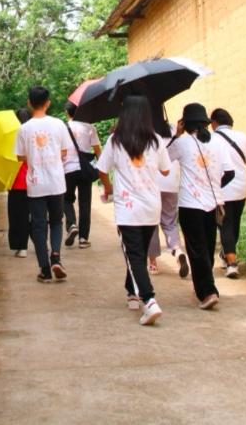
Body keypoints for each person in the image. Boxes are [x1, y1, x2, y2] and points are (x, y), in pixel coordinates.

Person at [97, 96, 171, 325]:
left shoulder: (115, 141)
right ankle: (131, 290)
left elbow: (101, 169)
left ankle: (149, 300)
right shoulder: (156, 141)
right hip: (151, 206)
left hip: (128, 209)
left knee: (135, 255)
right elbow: (166, 171)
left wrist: (108, 187)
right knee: (137, 253)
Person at [168, 102, 234, 310]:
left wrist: (176, 135)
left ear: (185, 124)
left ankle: (207, 292)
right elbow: (230, 172)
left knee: (196, 250)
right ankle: (208, 286)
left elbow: (163, 158)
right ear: (205, 122)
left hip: (190, 204)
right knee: (206, 247)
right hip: (213, 204)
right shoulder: (218, 142)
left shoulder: (182, 143)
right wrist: (213, 185)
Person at [14, 86, 72, 283]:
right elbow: (64, 152)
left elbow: (20, 156)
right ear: (48, 102)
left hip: (36, 184)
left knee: (39, 226)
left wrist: (33, 155)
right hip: (56, 182)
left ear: (29, 103)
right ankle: (56, 256)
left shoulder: (24, 128)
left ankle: (45, 269)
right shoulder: (59, 125)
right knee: (56, 221)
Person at [209, 108, 246, 279]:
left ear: (214, 123)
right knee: (234, 222)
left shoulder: (212, 139)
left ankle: (231, 263)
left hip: (223, 187)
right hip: (241, 186)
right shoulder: (244, 137)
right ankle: (227, 254)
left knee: (225, 224)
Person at [147, 120, 188, 278]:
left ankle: (152, 263)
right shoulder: (175, 134)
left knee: (152, 223)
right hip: (172, 184)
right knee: (170, 222)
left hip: (153, 184)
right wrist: (177, 132)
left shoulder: (148, 138)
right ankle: (177, 250)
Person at [63, 102, 102, 249]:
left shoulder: (63, 128)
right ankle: (83, 238)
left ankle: (72, 224)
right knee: (85, 202)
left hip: (68, 168)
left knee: (66, 199)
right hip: (85, 169)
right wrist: (102, 170)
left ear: (67, 112)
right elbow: (97, 150)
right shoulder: (89, 127)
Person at [7, 108, 32, 257]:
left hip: (16, 182)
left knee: (18, 215)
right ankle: (41, 242)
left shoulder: (13, 136)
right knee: (36, 214)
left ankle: (21, 247)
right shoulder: (34, 134)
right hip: (34, 181)